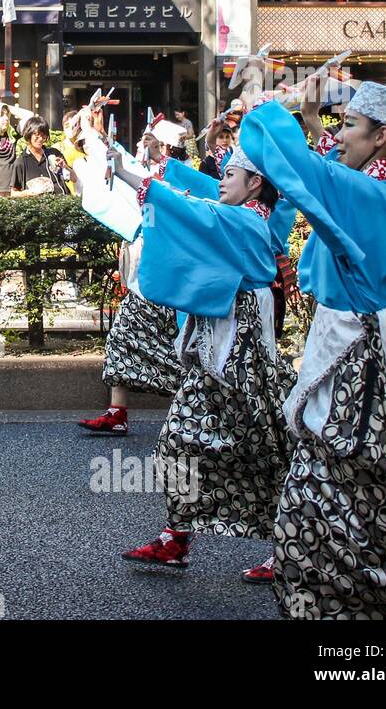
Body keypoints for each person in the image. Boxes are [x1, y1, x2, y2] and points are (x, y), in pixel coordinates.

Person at [242, 80, 386, 620]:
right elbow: (319, 171)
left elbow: (304, 171)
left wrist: (267, 104)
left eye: (349, 127)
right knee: (352, 491)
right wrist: (310, 116)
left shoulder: (365, 195)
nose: (337, 136)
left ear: (382, 137)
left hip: (352, 362)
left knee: (326, 497)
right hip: (362, 352)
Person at [110, 145, 295, 581]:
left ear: (254, 185)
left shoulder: (244, 219)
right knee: (181, 441)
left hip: (241, 351)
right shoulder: (258, 214)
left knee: (262, 450)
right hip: (223, 349)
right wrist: (161, 169)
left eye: (230, 174)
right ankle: (175, 536)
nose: (221, 180)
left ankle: (288, 547)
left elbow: (189, 208)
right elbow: (203, 198)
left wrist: (131, 175)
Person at [77, 115, 184, 436]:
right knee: (124, 338)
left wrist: (123, 165)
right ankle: (118, 411)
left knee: (179, 349)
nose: (141, 145)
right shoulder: (152, 171)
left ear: (165, 146)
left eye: (148, 141)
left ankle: (198, 403)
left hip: (167, 277)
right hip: (152, 273)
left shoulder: (175, 174)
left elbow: (153, 191)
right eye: (142, 141)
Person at [11, 117, 70, 196]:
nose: (41, 139)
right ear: (29, 134)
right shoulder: (21, 162)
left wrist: (65, 167)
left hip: (61, 202)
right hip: (36, 206)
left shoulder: (54, 153)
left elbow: (73, 178)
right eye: (37, 135)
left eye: (44, 135)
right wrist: (28, 193)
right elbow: (13, 193)